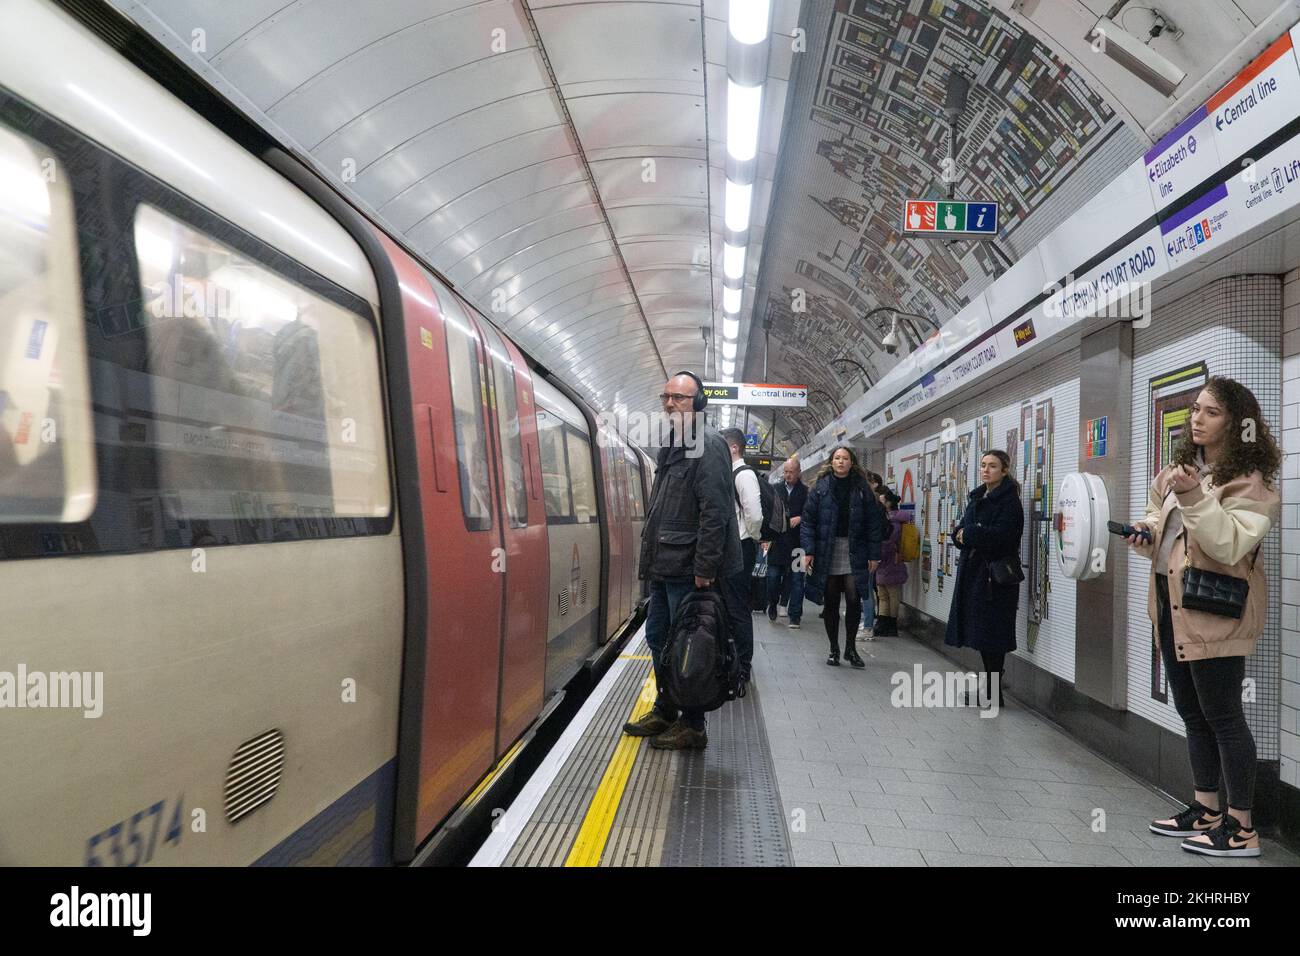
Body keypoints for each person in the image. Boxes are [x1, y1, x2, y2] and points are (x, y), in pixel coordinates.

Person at [1129, 378, 1279, 858]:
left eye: (1211, 412)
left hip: (1216, 612)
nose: (1197, 418)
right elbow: (1160, 518)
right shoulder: (1182, 471)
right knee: (1192, 712)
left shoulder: (1249, 483)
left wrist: (1194, 497)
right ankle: (1206, 807)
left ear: (1237, 424)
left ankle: (1242, 828)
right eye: (1195, 409)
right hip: (1173, 608)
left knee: (1225, 717)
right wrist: (1145, 532)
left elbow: (1228, 544)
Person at [624, 371, 741, 750]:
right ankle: (665, 708)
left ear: (699, 403)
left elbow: (716, 510)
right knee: (659, 636)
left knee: (689, 643)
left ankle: (693, 723)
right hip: (665, 563)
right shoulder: (674, 444)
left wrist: (705, 567)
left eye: (680, 397)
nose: (671, 403)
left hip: (689, 566)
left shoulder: (707, 444)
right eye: (667, 397)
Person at [944, 450, 1024, 708]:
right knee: (982, 633)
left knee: (992, 634)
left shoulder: (1010, 502)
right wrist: (964, 533)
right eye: (983, 465)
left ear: (1004, 470)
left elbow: (1004, 537)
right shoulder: (977, 497)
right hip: (975, 573)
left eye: (992, 466)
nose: (986, 470)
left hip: (995, 579)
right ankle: (990, 690)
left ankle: (993, 692)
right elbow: (962, 530)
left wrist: (971, 534)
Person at [799, 446, 884, 667]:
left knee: (854, 598)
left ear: (851, 462)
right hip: (828, 548)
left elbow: (873, 524)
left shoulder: (862, 488)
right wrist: (808, 551)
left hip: (854, 548)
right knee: (831, 600)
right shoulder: (820, 487)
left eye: (845, 458)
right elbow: (808, 521)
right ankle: (833, 649)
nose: (841, 462)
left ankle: (850, 648)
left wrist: (874, 554)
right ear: (831, 461)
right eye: (837, 458)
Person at [720, 427, 762, 683]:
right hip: (735, 546)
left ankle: (743, 665)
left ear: (734, 448)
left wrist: (751, 536)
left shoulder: (744, 475)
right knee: (730, 605)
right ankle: (732, 659)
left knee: (737, 607)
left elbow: (754, 514)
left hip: (741, 546)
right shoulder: (732, 473)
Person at [765, 456, 808, 628]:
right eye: (786, 472)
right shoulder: (774, 489)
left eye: (791, 472)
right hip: (778, 542)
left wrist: (801, 518)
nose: (787, 475)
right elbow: (767, 512)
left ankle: (795, 616)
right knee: (773, 577)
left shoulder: (806, 492)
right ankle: (773, 602)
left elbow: (813, 516)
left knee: (797, 580)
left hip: (798, 544)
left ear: (799, 473)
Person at [874, 489, 911, 636]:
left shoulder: (894, 522)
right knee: (883, 593)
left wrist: (877, 551)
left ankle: (890, 624)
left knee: (892, 594)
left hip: (892, 562)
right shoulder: (887, 520)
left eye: (882, 501)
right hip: (884, 563)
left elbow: (889, 542)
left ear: (888, 503)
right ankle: (883, 622)